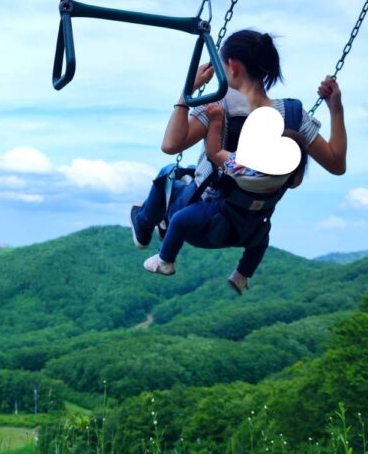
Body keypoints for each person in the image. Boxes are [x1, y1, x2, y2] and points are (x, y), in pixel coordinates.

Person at [130, 29, 347, 293]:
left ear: (232, 66)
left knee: (168, 175)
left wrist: (188, 92)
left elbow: (171, 145)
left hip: (203, 219)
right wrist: (335, 108)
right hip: (251, 228)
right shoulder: (292, 116)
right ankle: (238, 272)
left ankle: (145, 229)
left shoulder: (218, 105)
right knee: (186, 176)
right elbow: (337, 164)